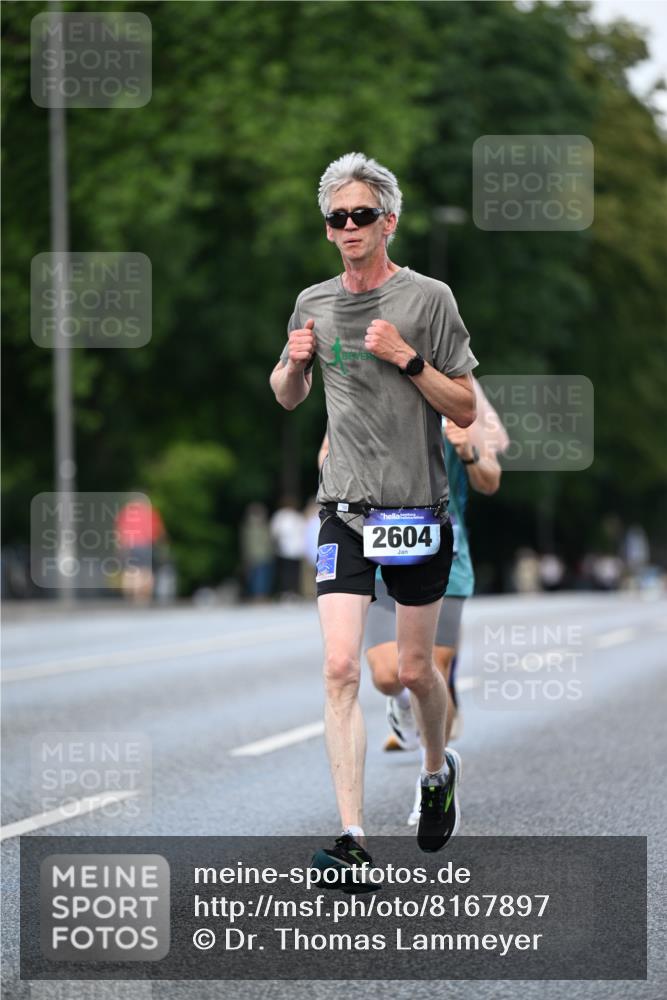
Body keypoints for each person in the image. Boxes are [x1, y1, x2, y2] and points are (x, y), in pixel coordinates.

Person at [270, 152, 478, 883]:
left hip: (417, 510)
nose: (350, 226)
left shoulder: (428, 299)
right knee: (338, 668)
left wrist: (409, 361)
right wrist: (292, 364)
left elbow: (465, 407)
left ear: (388, 221)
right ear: (327, 228)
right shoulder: (314, 303)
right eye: (337, 217)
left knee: (416, 670)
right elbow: (287, 395)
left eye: (362, 215)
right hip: (344, 512)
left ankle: (434, 768)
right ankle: (352, 839)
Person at [345, 378, 508, 826]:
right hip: (380, 548)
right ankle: (399, 705)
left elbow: (490, 478)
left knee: (427, 672)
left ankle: (433, 778)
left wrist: (469, 451)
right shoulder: (367, 383)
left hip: (445, 554)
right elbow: (327, 453)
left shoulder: (454, 391)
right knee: (385, 676)